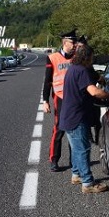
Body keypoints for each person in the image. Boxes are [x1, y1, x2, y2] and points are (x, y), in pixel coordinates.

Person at [59, 43, 109, 193]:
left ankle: (76, 174)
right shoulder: (81, 71)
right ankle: (88, 183)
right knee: (82, 149)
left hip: (69, 115)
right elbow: (94, 92)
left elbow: (91, 80)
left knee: (76, 148)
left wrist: (99, 78)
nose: (93, 59)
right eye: (92, 57)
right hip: (76, 117)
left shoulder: (74, 68)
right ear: (86, 58)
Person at [42, 29, 78, 172]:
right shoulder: (52, 58)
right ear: (64, 43)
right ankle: (54, 159)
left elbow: (95, 59)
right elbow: (47, 81)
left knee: (74, 129)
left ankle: (74, 160)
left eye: (75, 42)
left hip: (75, 98)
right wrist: (45, 101)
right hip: (60, 97)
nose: (75, 44)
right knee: (59, 129)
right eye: (72, 42)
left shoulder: (77, 57)